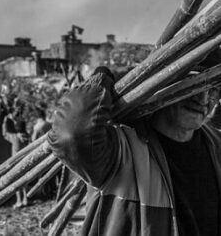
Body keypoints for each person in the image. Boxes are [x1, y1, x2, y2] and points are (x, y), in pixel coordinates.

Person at [47, 66, 221, 236]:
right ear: (163, 83)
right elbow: (72, 135)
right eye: (194, 84)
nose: (203, 99)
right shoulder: (121, 149)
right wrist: (98, 83)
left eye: (213, 89)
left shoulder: (216, 144)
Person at [2, 100, 29, 209]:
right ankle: (25, 198)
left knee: (16, 176)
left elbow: (5, 133)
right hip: (24, 152)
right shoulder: (24, 133)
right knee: (24, 175)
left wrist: (6, 121)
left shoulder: (15, 137)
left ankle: (19, 200)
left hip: (17, 153)